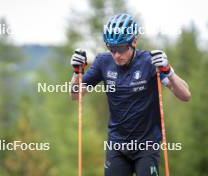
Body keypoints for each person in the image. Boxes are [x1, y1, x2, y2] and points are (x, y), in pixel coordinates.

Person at [70, 13, 191, 176]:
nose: (116, 55)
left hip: (146, 145)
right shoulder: (103, 62)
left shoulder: (149, 62)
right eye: (111, 49)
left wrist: (168, 71)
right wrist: (76, 72)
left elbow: (185, 95)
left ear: (134, 41)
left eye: (121, 48)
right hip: (117, 146)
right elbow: (75, 95)